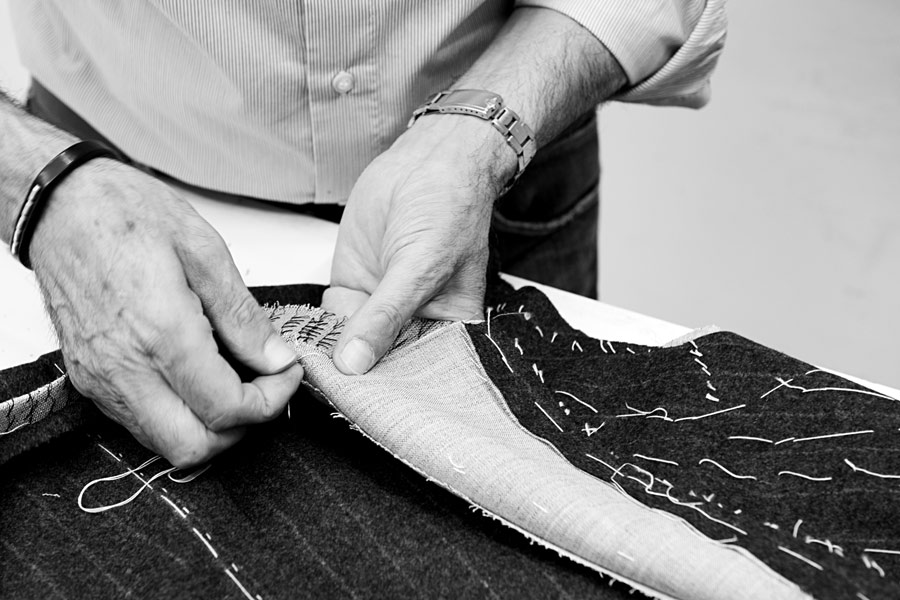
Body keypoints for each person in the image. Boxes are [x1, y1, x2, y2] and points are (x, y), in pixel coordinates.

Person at [0, 1, 726, 467]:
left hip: (501, 165)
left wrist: (482, 131)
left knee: (547, 479)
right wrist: (39, 184)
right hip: (100, 202)